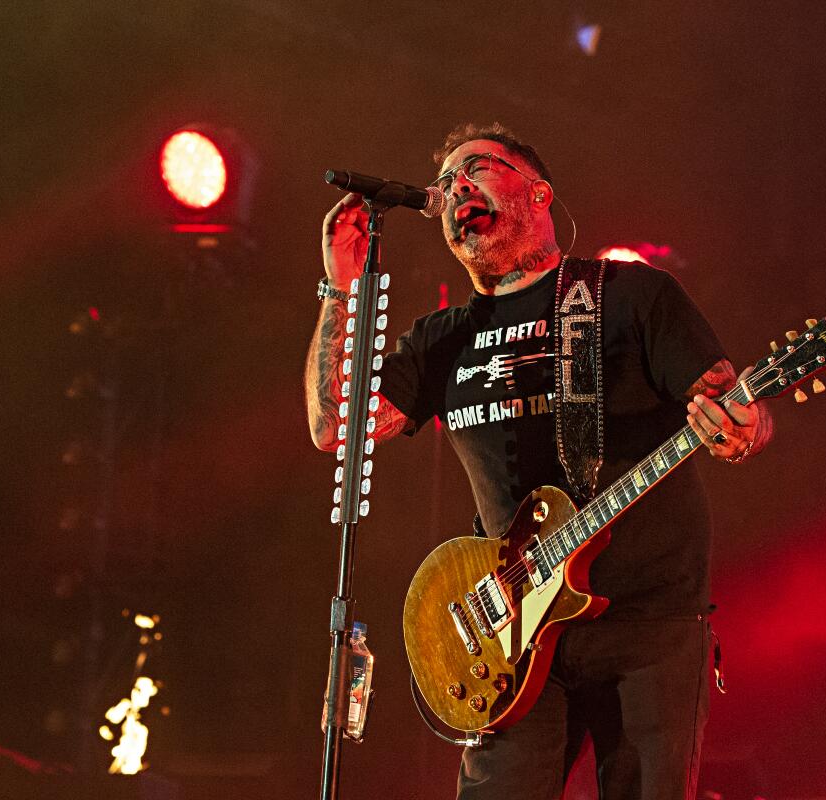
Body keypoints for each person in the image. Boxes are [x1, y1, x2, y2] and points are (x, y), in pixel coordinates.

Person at [304, 123, 773, 800]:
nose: (455, 188)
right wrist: (342, 284)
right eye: (444, 184)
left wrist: (740, 426)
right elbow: (333, 426)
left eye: (478, 170)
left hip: (646, 622)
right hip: (513, 635)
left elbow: (730, 408)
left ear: (538, 192)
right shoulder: (443, 340)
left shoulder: (631, 298)